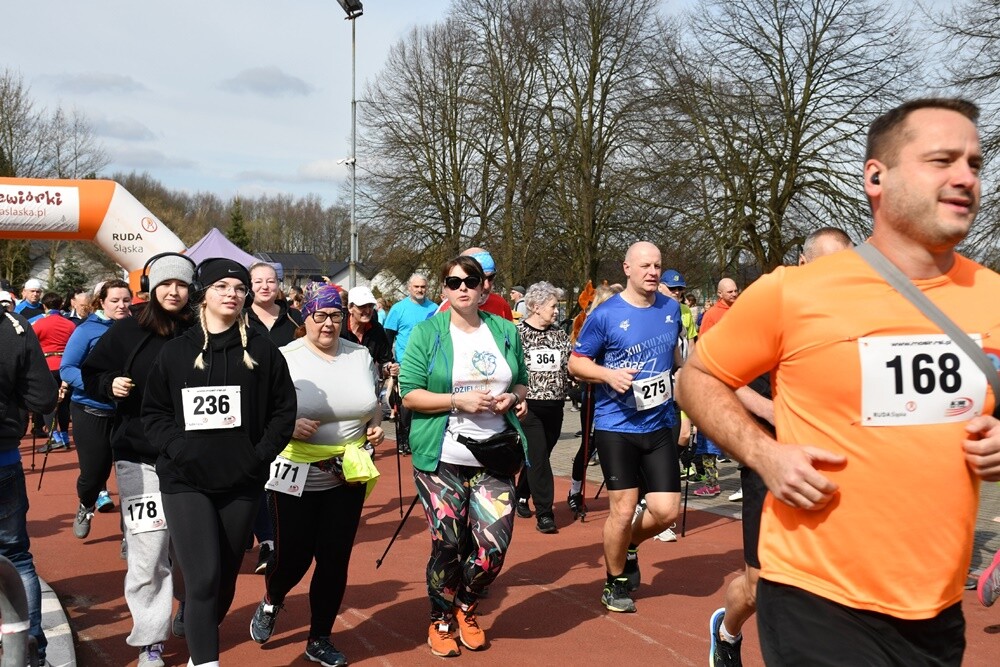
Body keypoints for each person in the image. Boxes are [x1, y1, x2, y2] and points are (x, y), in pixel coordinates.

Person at [677, 98, 1000, 666]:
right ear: (876, 176)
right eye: (942, 160)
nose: (965, 178)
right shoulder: (795, 292)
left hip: (936, 605)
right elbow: (697, 377)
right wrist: (763, 454)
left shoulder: (993, 296)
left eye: (975, 163)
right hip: (815, 594)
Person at [706, 226, 852, 667]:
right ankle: (727, 631)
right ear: (804, 264)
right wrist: (773, 414)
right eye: (827, 266)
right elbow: (718, 379)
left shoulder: (859, 314)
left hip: (832, 465)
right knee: (760, 582)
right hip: (770, 459)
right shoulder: (771, 308)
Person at [142, 258, 296, 667]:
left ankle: (197, 621)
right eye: (222, 287)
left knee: (224, 580)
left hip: (241, 481)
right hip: (184, 481)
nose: (232, 294)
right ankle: (205, 661)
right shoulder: (176, 352)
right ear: (203, 295)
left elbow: (284, 412)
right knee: (204, 576)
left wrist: (258, 456)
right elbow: (154, 413)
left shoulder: (263, 351)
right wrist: (179, 449)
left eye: (239, 288)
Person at [399, 255, 529, 657]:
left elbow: (522, 382)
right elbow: (410, 393)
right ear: (444, 290)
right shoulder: (427, 333)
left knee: (492, 549)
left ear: (483, 287)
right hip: (443, 456)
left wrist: (514, 398)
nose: (462, 288)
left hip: (497, 456)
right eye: (453, 282)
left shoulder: (506, 331)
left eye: (470, 281)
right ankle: (440, 619)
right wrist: (458, 401)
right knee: (448, 544)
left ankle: (466, 606)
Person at [249, 283, 383, 667]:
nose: (328, 324)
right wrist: (288, 424)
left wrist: (375, 424)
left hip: (347, 471)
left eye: (336, 316)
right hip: (295, 469)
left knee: (334, 557)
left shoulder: (359, 355)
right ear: (304, 317)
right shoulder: (284, 357)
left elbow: (372, 404)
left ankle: (319, 637)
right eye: (319, 316)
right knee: (292, 557)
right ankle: (273, 598)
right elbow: (258, 412)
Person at [82, 254, 197, 667]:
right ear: (151, 287)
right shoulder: (126, 330)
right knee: (148, 553)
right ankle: (151, 642)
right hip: (138, 458)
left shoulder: (203, 331)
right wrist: (108, 384)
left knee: (191, 551)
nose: (173, 292)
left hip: (193, 462)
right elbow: (90, 373)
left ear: (191, 290)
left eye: (182, 285)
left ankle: (191, 607)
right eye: (166, 284)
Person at [567, 241, 684, 614]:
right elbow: (576, 363)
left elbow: (678, 361)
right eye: (645, 265)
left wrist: (690, 407)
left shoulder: (672, 308)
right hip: (617, 425)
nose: (653, 272)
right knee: (623, 507)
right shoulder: (605, 315)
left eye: (657, 266)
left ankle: (629, 544)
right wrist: (607, 374)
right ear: (627, 269)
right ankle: (614, 581)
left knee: (666, 512)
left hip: (661, 421)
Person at [0, 306, 58, 665]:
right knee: (17, 556)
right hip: (3, 457)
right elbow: (43, 398)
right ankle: (30, 647)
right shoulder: (14, 326)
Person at [245, 261, 304, 574]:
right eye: (258, 281)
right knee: (255, 473)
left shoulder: (296, 319)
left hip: (287, 407)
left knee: (280, 478)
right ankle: (267, 539)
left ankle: (276, 536)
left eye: (271, 281)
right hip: (249, 409)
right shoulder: (238, 318)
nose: (265, 286)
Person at [61, 279, 133, 528]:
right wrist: (101, 386)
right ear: (101, 302)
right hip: (91, 409)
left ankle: (131, 533)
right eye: (115, 301)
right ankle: (86, 502)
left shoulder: (138, 327)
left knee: (136, 476)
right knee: (95, 473)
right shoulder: (87, 330)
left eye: (126, 300)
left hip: (129, 412)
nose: (121, 306)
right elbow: (67, 369)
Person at [513, 281, 573, 533]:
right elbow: (513, 368)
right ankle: (545, 514)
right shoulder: (519, 334)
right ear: (535, 307)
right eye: (552, 306)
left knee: (540, 455)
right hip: (530, 407)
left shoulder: (559, 334)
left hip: (556, 405)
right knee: (538, 458)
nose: (556, 311)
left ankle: (521, 493)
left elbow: (571, 363)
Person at [384, 274, 438, 455]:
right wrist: (390, 361)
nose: (420, 290)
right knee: (406, 405)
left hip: (430, 363)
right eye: (416, 287)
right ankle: (403, 439)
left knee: (427, 404)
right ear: (409, 288)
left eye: (423, 287)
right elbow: (388, 337)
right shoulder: (398, 309)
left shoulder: (435, 309)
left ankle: (421, 440)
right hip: (405, 363)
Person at [31, 292, 77, 451]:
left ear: (44, 306)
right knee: (64, 404)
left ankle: (54, 437)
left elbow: (32, 344)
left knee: (48, 403)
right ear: (60, 305)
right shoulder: (70, 324)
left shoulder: (39, 323)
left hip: (47, 366)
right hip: (65, 366)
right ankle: (64, 437)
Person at [437, 248, 514, 320]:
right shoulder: (444, 312)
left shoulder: (501, 304)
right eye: (475, 279)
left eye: (490, 277)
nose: (486, 286)